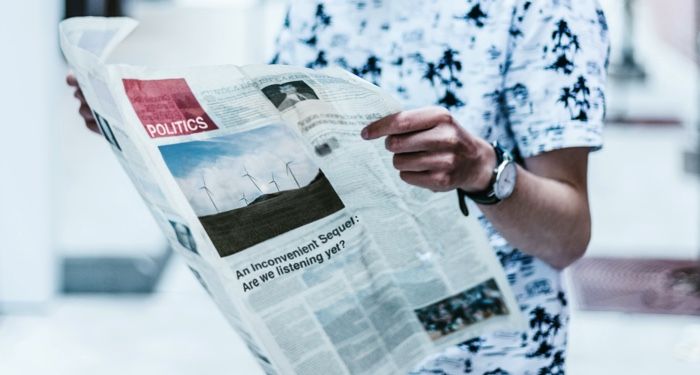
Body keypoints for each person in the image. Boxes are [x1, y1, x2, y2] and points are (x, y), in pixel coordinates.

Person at [67, 0, 609, 373]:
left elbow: (568, 236)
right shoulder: (319, 5)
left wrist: (484, 173)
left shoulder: (544, 10)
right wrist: (136, 131)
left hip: (486, 356)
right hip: (343, 346)